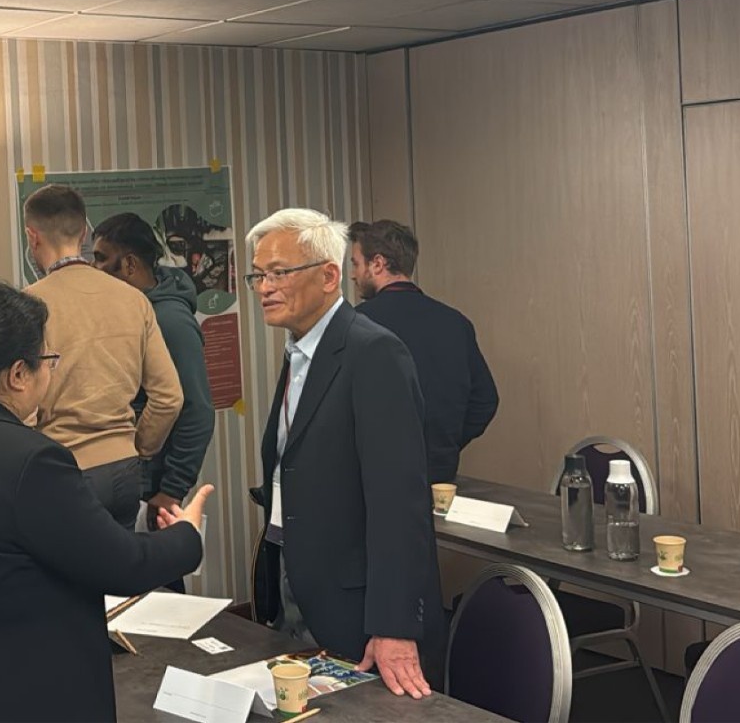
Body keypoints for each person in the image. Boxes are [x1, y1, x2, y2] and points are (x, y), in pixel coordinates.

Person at [0, 283, 213, 723]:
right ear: (17, 374)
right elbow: (123, 563)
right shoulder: (30, 461)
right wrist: (187, 534)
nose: (50, 374)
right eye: (48, 361)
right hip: (17, 698)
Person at [246, 209, 445, 699]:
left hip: (356, 603)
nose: (264, 288)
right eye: (258, 275)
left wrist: (394, 625)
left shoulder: (372, 352)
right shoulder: (301, 350)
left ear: (329, 276)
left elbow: (399, 502)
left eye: (279, 273)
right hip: (296, 581)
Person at [21, 184, 183, 529]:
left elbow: (23, 406)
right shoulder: (134, 299)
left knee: (64, 563)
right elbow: (169, 397)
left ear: (32, 237)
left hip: (62, 467)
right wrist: (135, 446)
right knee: (120, 563)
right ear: (83, 233)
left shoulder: (28, 306)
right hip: (125, 470)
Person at [91, 213, 216, 536]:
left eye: (101, 258)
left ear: (130, 264)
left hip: (152, 487)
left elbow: (197, 410)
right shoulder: (130, 311)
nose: (94, 268)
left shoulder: (169, 320)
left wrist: (172, 489)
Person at [348, 220, 499, 484]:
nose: (353, 275)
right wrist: (444, 444)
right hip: (439, 477)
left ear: (378, 264)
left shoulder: (354, 325)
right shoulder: (456, 323)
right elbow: (485, 401)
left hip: (373, 480)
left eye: (356, 264)